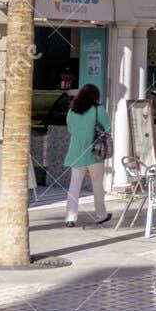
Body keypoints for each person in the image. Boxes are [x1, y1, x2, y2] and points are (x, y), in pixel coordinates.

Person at [63, 83, 113, 226]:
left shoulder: (72, 111)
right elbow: (108, 129)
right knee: (97, 185)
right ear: (95, 96)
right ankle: (101, 215)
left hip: (76, 152)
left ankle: (70, 218)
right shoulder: (99, 110)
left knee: (74, 185)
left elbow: (70, 129)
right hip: (95, 153)